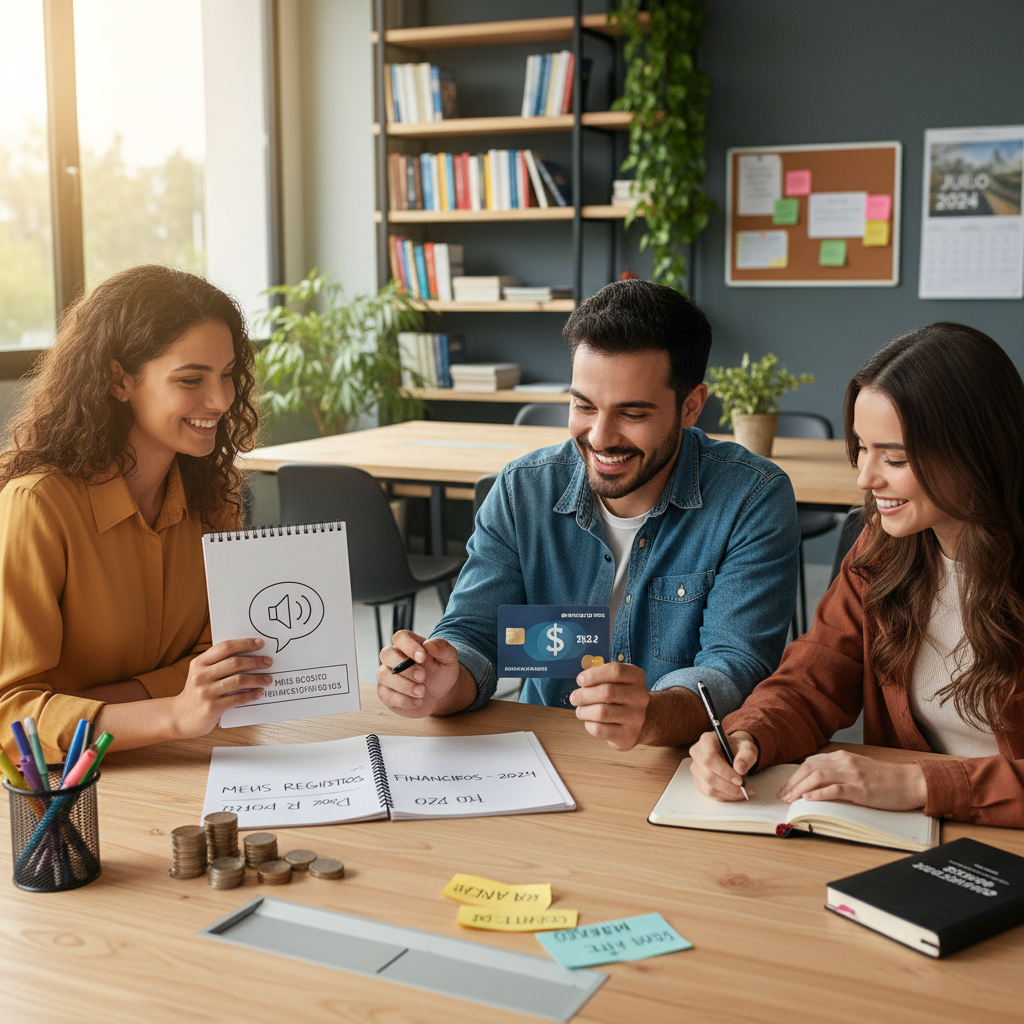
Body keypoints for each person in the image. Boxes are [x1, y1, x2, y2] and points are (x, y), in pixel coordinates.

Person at [377, 279, 800, 750]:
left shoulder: (753, 498)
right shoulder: (523, 490)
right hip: (547, 755)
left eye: (632, 414)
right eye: (583, 406)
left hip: (678, 767)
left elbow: (734, 665)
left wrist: (654, 716)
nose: (600, 437)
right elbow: (476, 636)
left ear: (691, 406)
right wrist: (441, 684)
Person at [690, 322, 1024, 828]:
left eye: (895, 457)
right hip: (908, 833)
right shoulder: (885, 546)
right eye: (862, 449)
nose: (866, 478)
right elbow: (814, 674)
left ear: (976, 451)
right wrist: (747, 735)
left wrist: (918, 784)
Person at [0, 264, 273, 761]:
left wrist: (96, 707)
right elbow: (12, 717)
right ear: (118, 379)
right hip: (67, 791)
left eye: (228, 374)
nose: (221, 399)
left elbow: (220, 663)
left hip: (191, 758)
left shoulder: (216, 495)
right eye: (191, 378)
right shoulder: (37, 506)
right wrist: (173, 711)